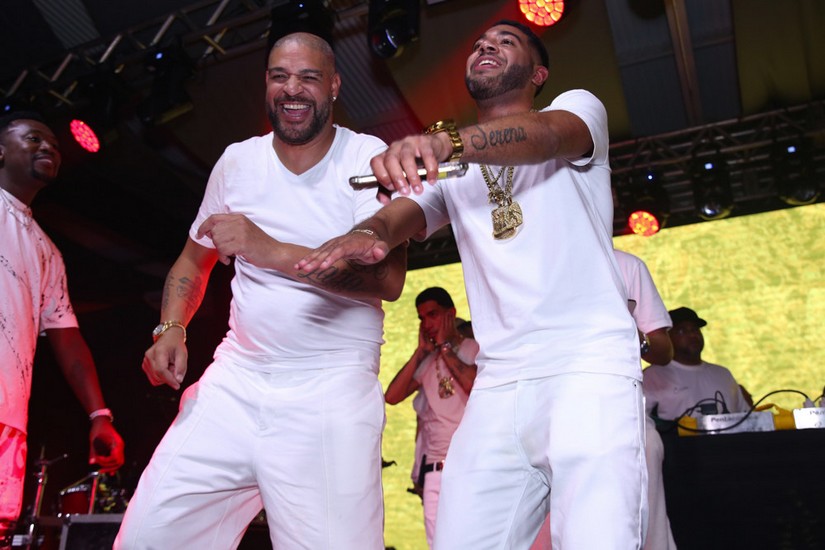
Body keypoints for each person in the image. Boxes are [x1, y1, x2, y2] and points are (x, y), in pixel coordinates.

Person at [299, 20, 647, 549]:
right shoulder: (454, 171)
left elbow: (547, 137)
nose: (486, 45)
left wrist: (446, 142)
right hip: (498, 382)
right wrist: (365, 234)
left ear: (538, 74)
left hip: (587, 366)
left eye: (506, 41)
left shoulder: (578, 108)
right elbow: (399, 217)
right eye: (480, 43)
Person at [114, 32, 406, 550]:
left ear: (335, 86)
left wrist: (268, 249)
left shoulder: (368, 156)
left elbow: (387, 280)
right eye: (279, 76)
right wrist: (171, 327)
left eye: (308, 77)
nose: (292, 88)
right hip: (236, 380)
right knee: (146, 538)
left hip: (329, 387)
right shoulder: (237, 162)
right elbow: (194, 259)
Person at [0, 112, 124, 547]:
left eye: (53, 144)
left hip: (8, 420)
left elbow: (67, 338)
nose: (48, 147)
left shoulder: (47, 251)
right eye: (33, 138)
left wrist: (99, 416)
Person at [385, 287, 478, 547]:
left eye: (433, 315)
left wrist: (446, 346)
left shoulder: (474, 349)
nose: (426, 324)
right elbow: (392, 396)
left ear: (451, 314)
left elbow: (472, 384)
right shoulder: (428, 361)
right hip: (435, 473)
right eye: (421, 318)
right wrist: (420, 352)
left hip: (469, 466)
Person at [644, 307, 750, 420]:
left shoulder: (723, 374)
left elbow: (746, 417)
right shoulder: (652, 376)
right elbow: (639, 420)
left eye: (695, 329)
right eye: (682, 331)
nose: (692, 335)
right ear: (668, 337)